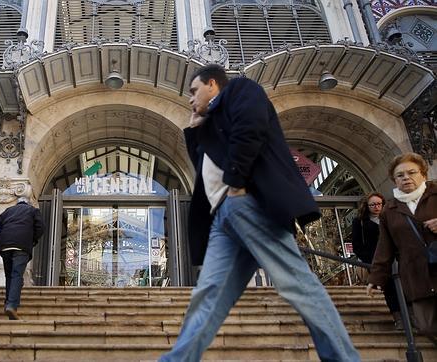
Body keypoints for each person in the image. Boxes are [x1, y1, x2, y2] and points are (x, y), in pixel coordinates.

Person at [159, 64, 359, 361]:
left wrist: (237, 183)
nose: (190, 99)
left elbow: (250, 129)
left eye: (193, 91)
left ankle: (344, 358)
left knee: (295, 283)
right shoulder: (210, 122)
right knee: (209, 293)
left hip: (247, 204)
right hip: (222, 219)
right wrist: (195, 129)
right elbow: (204, 169)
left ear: (212, 84)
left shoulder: (240, 89)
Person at [367, 152, 436, 335]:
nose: (406, 178)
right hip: (416, 277)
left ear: (423, 174)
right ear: (394, 180)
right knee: (427, 327)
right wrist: (376, 278)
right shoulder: (389, 210)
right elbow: (384, 247)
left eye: (411, 172)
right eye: (400, 175)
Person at [352, 192, 402, 329]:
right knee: (390, 288)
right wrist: (371, 261)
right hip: (377, 261)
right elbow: (357, 245)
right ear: (366, 206)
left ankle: (411, 316)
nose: (376, 207)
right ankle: (399, 318)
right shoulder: (360, 222)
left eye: (379, 204)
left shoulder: (391, 218)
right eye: (372, 204)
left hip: (398, 258)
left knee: (404, 285)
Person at [0, 196, 43, 320]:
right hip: (21, 246)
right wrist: (32, 240)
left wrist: (2, 240)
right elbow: (41, 228)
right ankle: (12, 305)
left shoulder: (7, 211)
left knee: (9, 275)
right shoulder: (33, 211)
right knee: (16, 275)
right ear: (29, 203)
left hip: (5, 247)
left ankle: (8, 302)